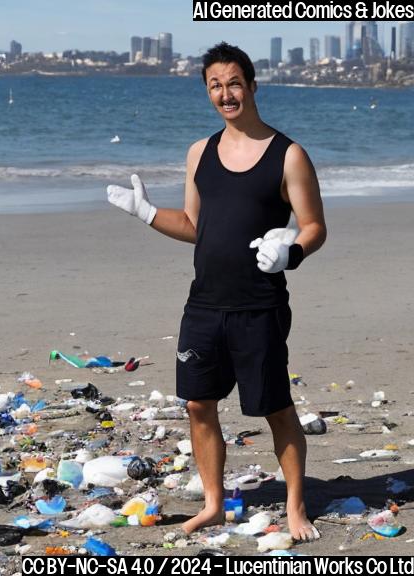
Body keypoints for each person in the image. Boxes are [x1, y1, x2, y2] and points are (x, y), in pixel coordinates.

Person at [105, 42, 327, 541]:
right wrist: (147, 213)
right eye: (215, 86)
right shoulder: (199, 153)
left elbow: (314, 226)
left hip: (259, 305)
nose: (226, 94)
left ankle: (295, 507)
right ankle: (212, 504)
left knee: (274, 406)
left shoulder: (288, 155)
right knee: (198, 405)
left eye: (233, 83)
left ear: (251, 85)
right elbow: (192, 225)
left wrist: (290, 252)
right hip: (204, 303)